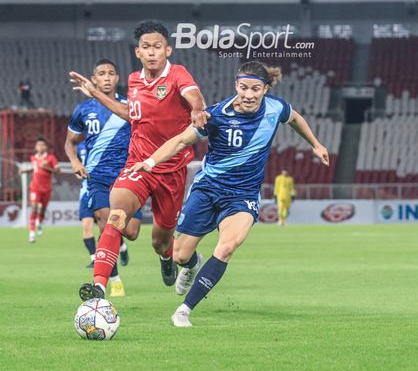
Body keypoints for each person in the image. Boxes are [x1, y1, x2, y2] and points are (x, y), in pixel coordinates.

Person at [127, 61, 330, 327]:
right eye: (244, 88)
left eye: (255, 89)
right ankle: (191, 265)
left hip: (243, 195)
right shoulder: (216, 115)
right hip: (208, 190)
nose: (248, 94)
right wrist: (151, 162)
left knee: (227, 247)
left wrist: (315, 144)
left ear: (265, 89)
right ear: (236, 85)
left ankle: (184, 310)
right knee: (179, 255)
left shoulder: (275, 108)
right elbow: (180, 140)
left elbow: (295, 118)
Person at [69, 21, 209, 300]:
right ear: (138, 52)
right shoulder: (134, 81)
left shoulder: (177, 75)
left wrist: (197, 110)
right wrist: (95, 93)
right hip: (138, 164)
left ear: (167, 49)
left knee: (161, 242)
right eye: (146, 47)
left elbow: (194, 97)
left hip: (172, 171)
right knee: (115, 217)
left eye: (157, 47)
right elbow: (128, 113)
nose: (152, 52)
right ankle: (99, 287)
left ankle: (174, 259)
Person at [65, 59, 143, 297]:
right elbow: (70, 142)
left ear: (117, 78)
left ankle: (131, 251)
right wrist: (75, 161)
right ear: (94, 78)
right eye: (102, 74)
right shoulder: (83, 111)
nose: (107, 77)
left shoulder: (130, 106)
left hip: (127, 176)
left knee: (130, 231)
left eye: (111, 73)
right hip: (97, 176)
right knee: (104, 221)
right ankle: (114, 278)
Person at [19, 136, 60, 243]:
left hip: (46, 189)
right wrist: (24, 171)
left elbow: (58, 171)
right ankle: (31, 234)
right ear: (36, 147)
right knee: (33, 209)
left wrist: (46, 167)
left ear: (46, 147)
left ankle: (39, 222)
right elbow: (35, 168)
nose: (40, 147)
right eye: (38, 145)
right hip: (35, 188)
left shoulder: (51, 158)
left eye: (42, 145)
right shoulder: (33, 157)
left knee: (42, 211)